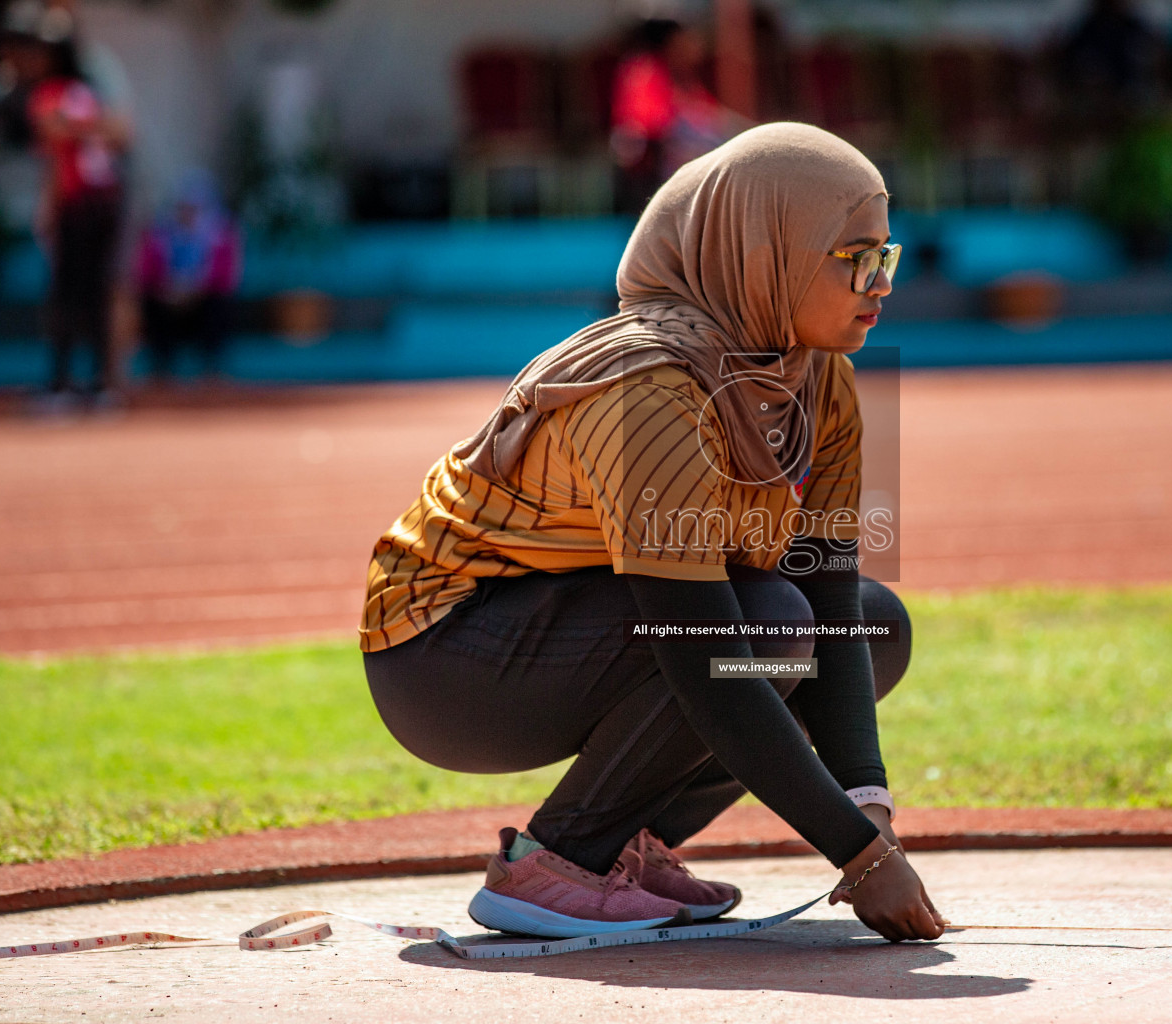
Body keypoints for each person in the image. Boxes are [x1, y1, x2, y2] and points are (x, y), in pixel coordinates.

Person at [360, 122, 943, 943]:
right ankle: (550, 862)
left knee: (869, 625)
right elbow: (705, 654)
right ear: (764, 249)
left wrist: (869, 808)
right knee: (772, 626)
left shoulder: (821, 380)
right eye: (856, 258)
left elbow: (830, 597)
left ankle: (624, 847)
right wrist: (858, 859)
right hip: (445, 660)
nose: (881, 283)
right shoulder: (648, 389)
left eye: (888, 255)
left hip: (587, 625)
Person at [4, 2, 127, 409]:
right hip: (106, 203)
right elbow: (113, 131)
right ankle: (99, 385)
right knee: (95, 295)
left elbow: (58, 159)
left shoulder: (52, 95)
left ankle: (64, 385)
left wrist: (48, 211)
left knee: (67, 297)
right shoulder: (85, 93)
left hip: (80, 206)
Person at [610, 17, 746, 214]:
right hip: (650, 172)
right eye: (686, 40)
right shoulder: (645, 72)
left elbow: (713, 116)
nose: (695, 46)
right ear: (671, 44)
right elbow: (651, 126)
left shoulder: (683, 77)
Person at [135, 171, 241, 383]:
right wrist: (169, 291)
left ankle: (212, 369)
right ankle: (161, 369)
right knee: (150, 302)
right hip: (169, 305)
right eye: (183, 208)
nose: (188, 214)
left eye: (194, 209)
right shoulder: (160, 235)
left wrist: (194, 291)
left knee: (219, 304)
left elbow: (226, 278)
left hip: (202, 307)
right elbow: (145, 275)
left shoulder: (220, 236)